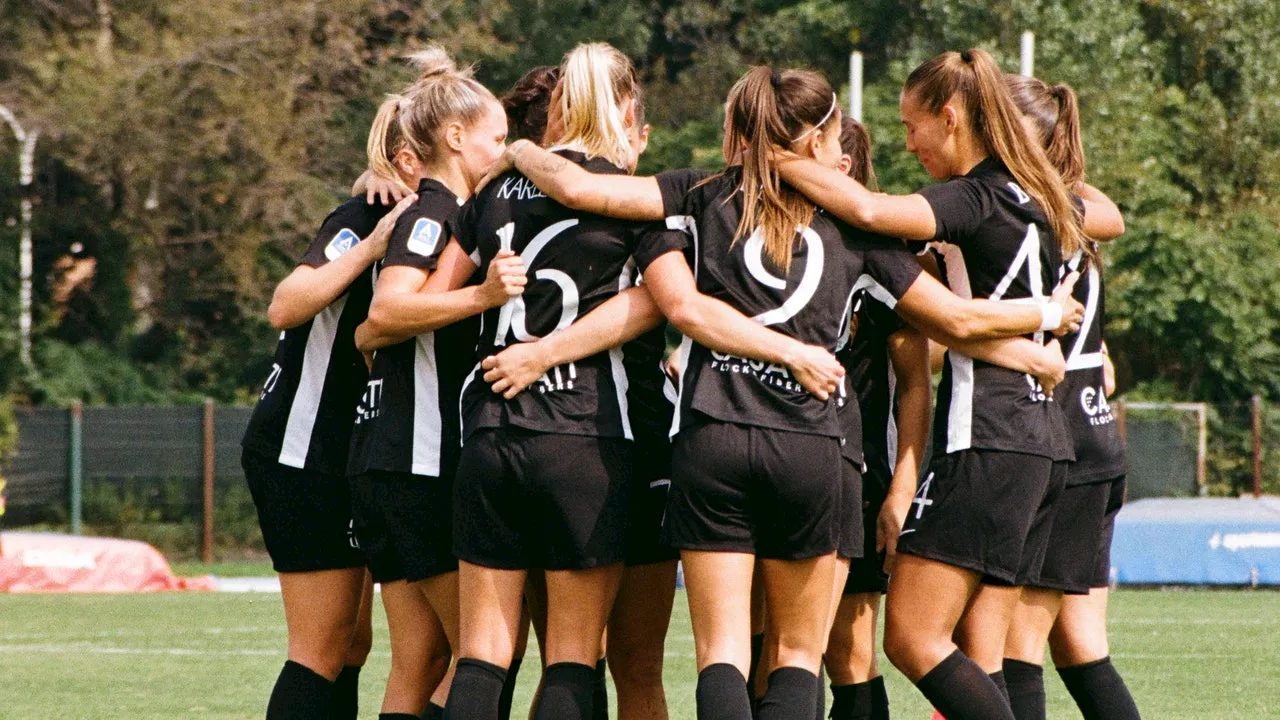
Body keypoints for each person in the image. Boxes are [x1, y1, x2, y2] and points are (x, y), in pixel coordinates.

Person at [488, 59, 1087, 720]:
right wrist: (1039, 328)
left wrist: (518, 145)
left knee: (724, 652)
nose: (843, 156)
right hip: (815, 447)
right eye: (835, 143)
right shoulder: (860, 226)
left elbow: (580, 190)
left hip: (712, 435)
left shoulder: (701, 189)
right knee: (799, 657)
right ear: (811, 143)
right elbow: (948, 318)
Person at [756, 49, 1128, 720]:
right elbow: (954, 305)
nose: (907, 143)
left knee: (914, 637)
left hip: (988, 437)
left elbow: (869, 210)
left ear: (950, 117)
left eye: (911, 125)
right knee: (985, 645)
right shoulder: (1040, 194)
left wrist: (777, 157)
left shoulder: (976, 196)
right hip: (1044, 442)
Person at [345, 47, 517, 720]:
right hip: (419, 463)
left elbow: (368, 334)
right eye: (497, 138)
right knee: (484, 654)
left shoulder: (447, 211)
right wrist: (483, 298)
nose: (505, 151)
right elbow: (387, 311)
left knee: (421, 657)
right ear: (454, 138)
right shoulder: (435, 212)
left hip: (383, 459)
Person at [239, 92, 418, 720]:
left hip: (344, 451)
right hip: (300, 448)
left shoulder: (416, 212)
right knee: (320, 645)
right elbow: (286, 304)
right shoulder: (361, 216)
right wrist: (369, 246)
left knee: (352, 644)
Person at [998, 74, 1141, 720]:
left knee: (1014, 646)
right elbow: (1108, 213)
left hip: (1059, 440)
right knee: (1080, 645)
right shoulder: (1065, 209)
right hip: (1097, 435)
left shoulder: (1018, 213)